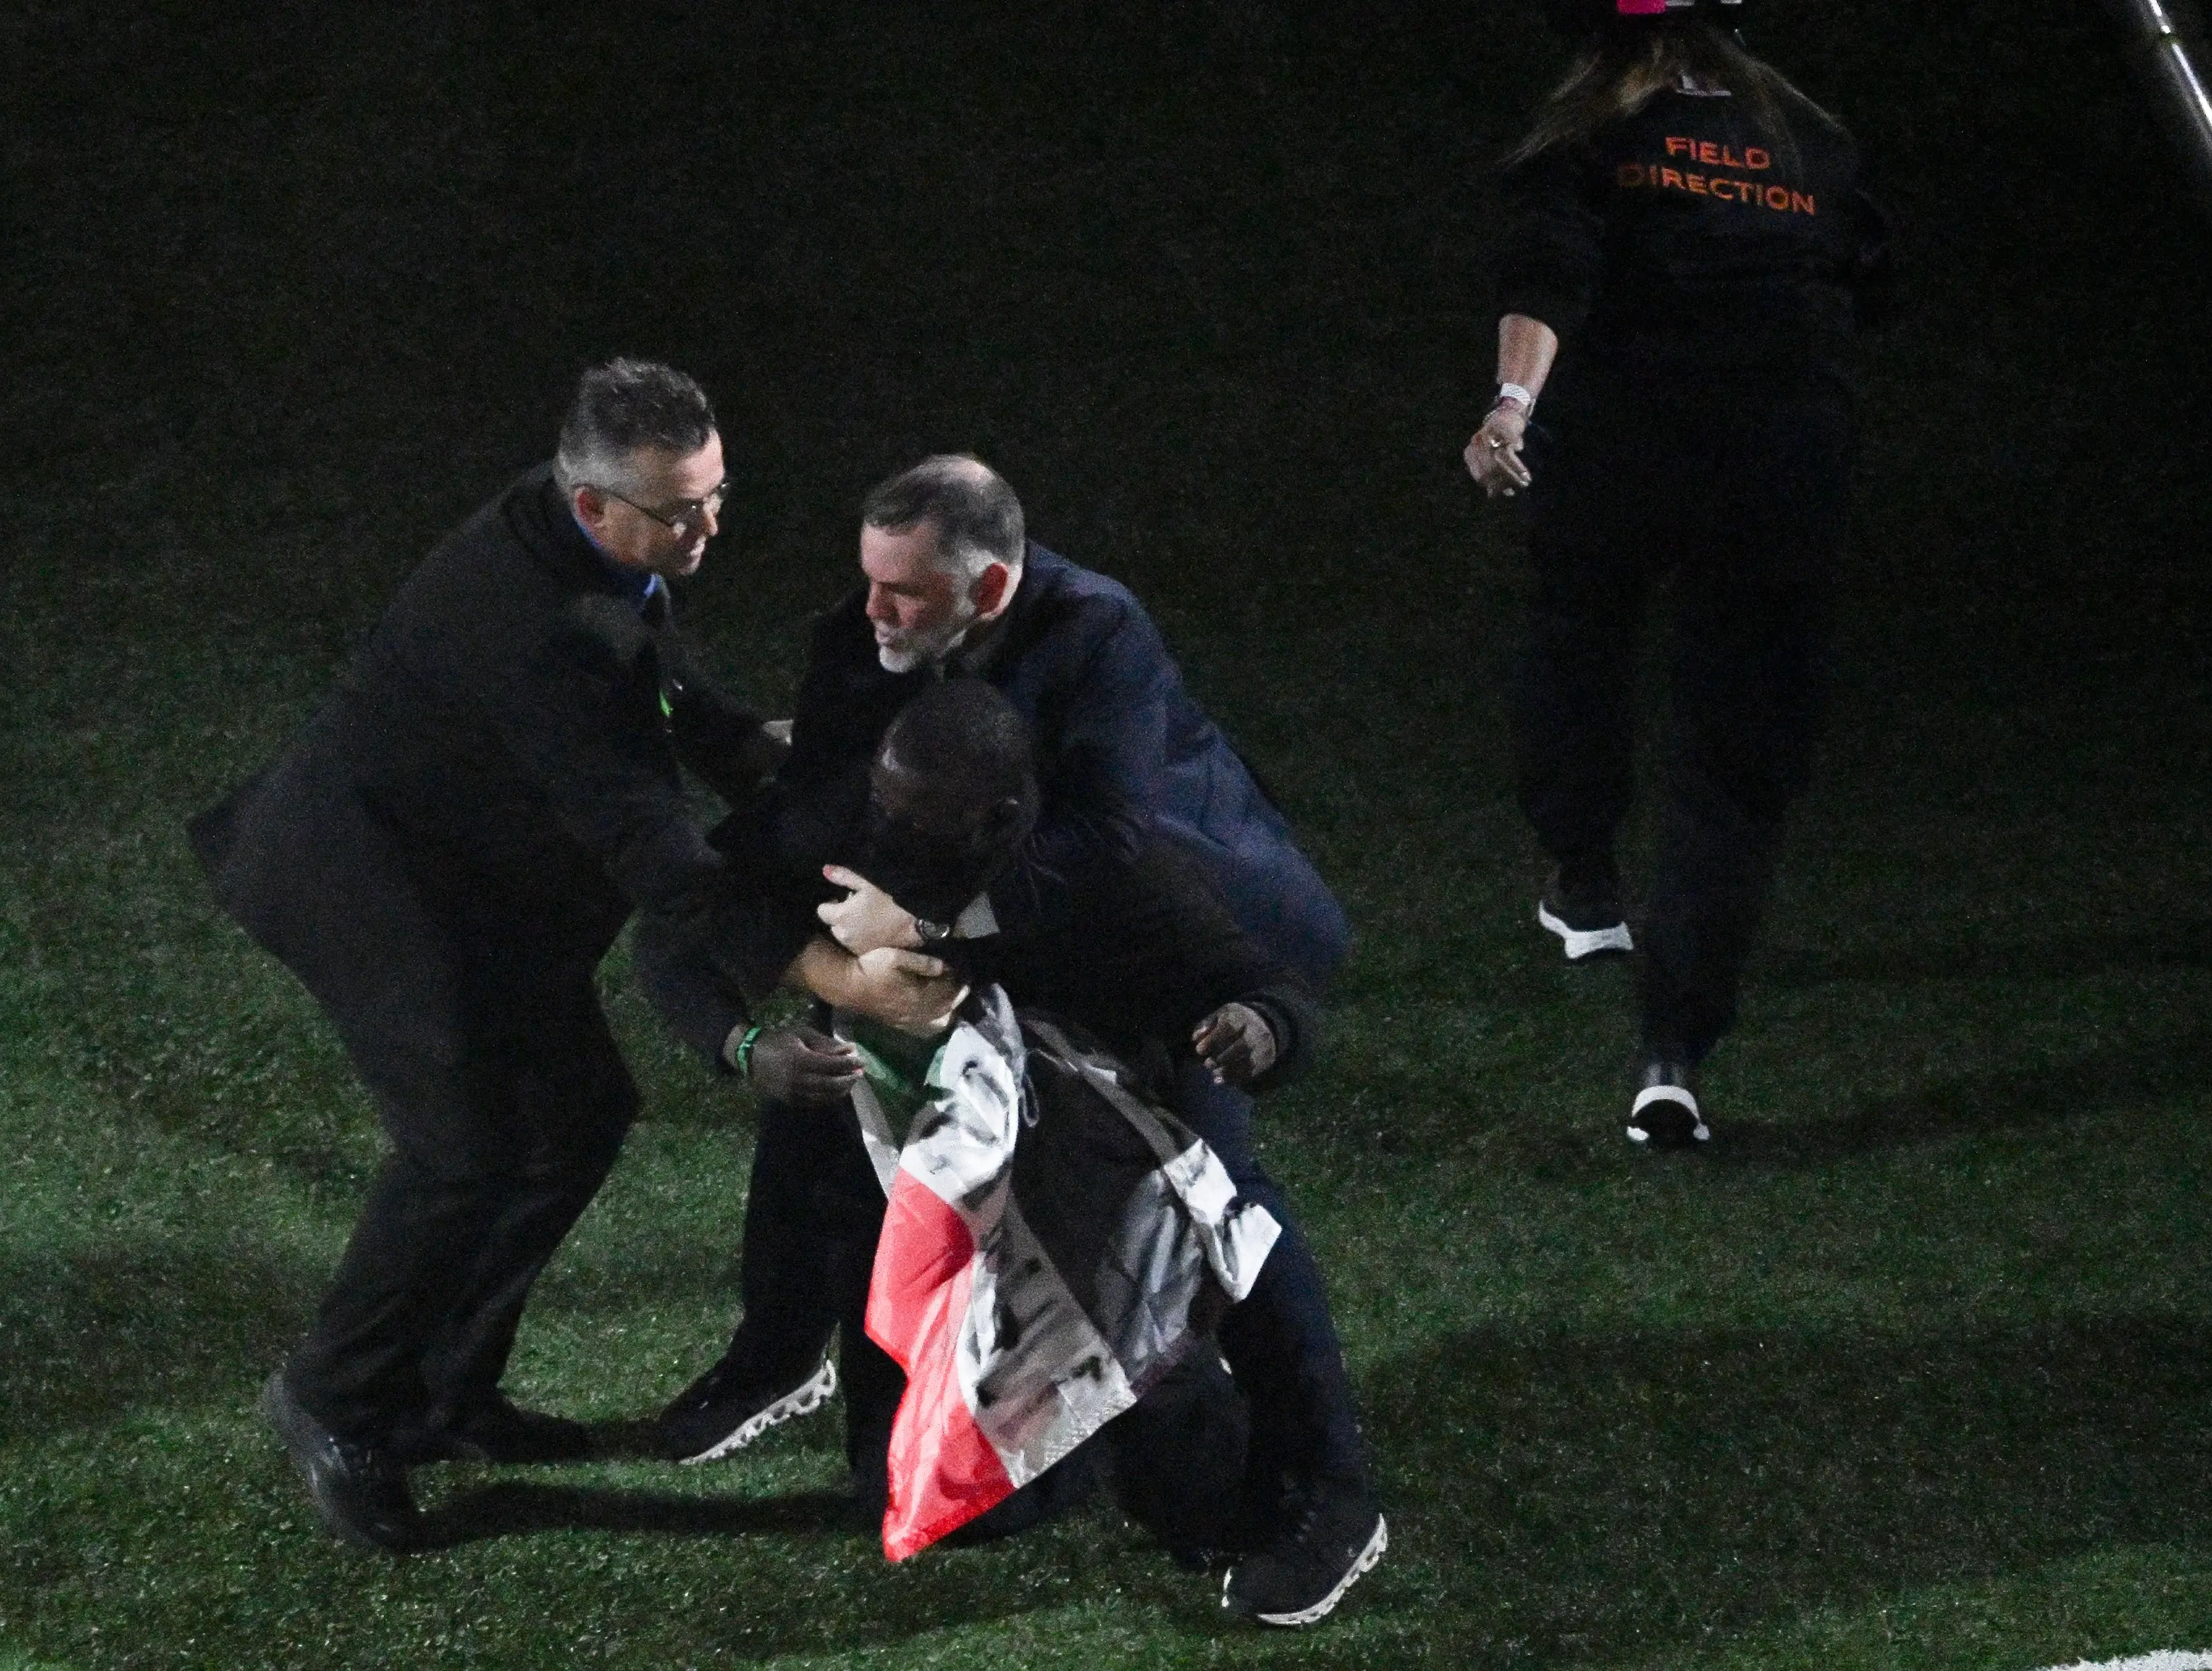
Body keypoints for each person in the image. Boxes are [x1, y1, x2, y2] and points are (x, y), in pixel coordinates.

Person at [187, 359, 783, 1550]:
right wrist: (817, 970)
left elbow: (649, 668)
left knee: (578, 1107)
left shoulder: (591, 538)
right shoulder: (537, 622)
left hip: (459, 879)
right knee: (462, 1143)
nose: (711, 527)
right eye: (684, 511)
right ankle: (336, 1398)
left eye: (719, 495)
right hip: (361, 883)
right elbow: (643, 840)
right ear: (592, 506)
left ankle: (446, 1388)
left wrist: (744, 747)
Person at [639, 679, 1383, 1628]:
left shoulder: (1104, 868)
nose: (889, 830)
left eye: (916, 817)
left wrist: (1260, 1027)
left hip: (1094, 1143)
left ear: (998, 818)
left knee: (1184, 1414)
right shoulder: (845, 816)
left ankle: (1266, 1458)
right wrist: (744, 1046)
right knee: (934, 1500)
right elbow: (678, 925)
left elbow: (1259, 987)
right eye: (883, 802)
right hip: (927, 1155)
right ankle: (792, 1358)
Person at [1464, 0, 1891, 1145]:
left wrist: (1513, 403)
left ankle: (1585, 873)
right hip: (1781, 465)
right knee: (1735, 762)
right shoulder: (1811, 139)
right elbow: (1873, 279)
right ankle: (1673, 1052)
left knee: (1577, 633)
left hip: (1626, 449)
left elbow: (1549, 270)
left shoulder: (1588, 133)